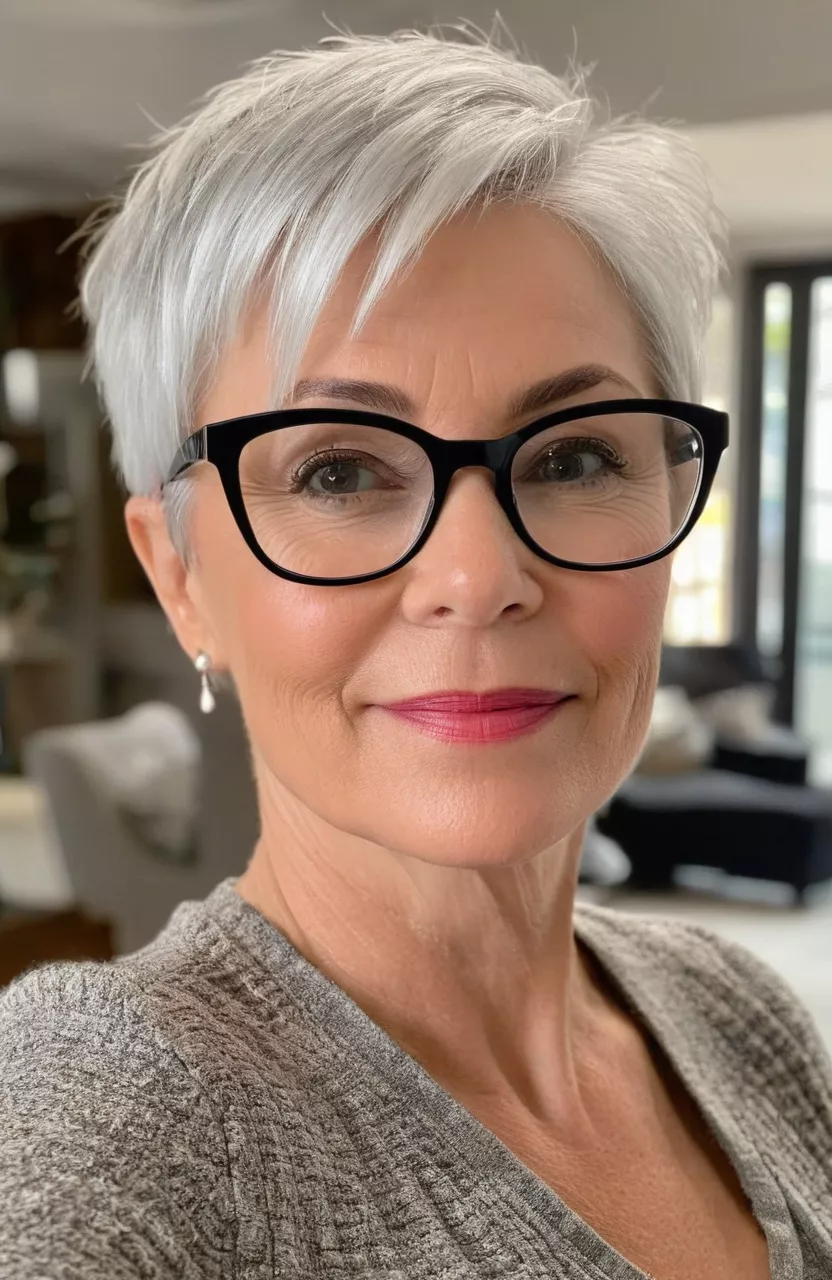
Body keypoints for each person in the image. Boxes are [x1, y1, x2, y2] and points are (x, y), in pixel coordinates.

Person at [1, 28, 830, 1280]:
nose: (479, 578)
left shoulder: (737, 1009)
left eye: (573, 456)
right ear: (183, 579)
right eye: (337, 469)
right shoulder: (99, 1116)